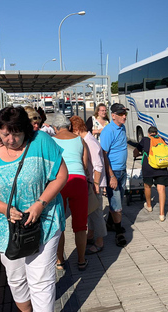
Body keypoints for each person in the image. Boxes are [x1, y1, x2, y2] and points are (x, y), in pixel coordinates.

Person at [0, 106, 68, 312]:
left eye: (17, 134)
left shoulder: (41, 141)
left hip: (44, 221)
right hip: (6, 228)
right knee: (16, 279)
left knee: (40, 280)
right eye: (5, 134)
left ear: (27, 130)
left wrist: (40, 204)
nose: (11, 140)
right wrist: (4, 208)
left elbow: (61, 175)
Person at [50, 114, 89, 271]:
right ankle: (81, 260)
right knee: (80, 225)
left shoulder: (51, 141)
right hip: (79, 181)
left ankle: (59, 260)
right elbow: (85, 164)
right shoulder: (80, 140)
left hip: (59, 182)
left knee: (60, 224)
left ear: (55, 128)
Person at [70, 116, 107, 254]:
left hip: (94, 182)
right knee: (91, 211)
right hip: (92, 181)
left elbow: (98, 165)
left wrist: (96, 184)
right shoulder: (87, 140)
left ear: (77, 129)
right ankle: (91, 235)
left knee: (96, 212)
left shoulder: (89, 142)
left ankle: (99, 241)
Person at [100, 103, 129, 247]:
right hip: (114, 172)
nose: (124, 116)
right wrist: (110, 176)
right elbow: (104, 154)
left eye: (125, 114)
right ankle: (119, 233)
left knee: (117, 200)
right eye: (121, 114)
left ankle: (111, 223)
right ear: (113, 115)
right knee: (117, 204)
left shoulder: (122, 127)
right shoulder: (108, 131)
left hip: (122, 170)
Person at [133, 126, 168, 222]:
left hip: (148, 166)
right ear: (157, 133)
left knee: (147, 186)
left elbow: (135, 152)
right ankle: (162, 214)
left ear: (149, 133)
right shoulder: (162, 139)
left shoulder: (145, 139)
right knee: (161, 189)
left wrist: (137, 154)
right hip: (162, 166)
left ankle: (149, 206)